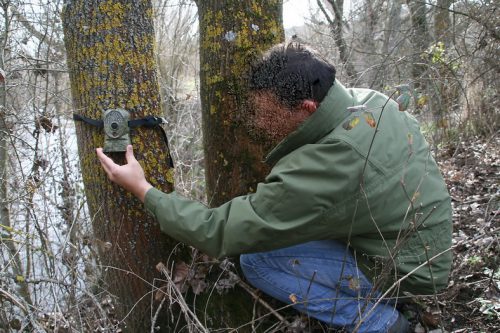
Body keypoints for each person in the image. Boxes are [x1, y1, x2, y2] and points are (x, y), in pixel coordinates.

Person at [96, 43, 452, 333]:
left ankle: (382, 322)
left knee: (258, 260)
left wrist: (144, 190)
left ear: (307, 107)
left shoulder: (329, 163)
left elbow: (219, 231)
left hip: (407, 268)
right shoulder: (368, 101)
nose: (261, 122)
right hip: (416, 246)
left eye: (269, 113)